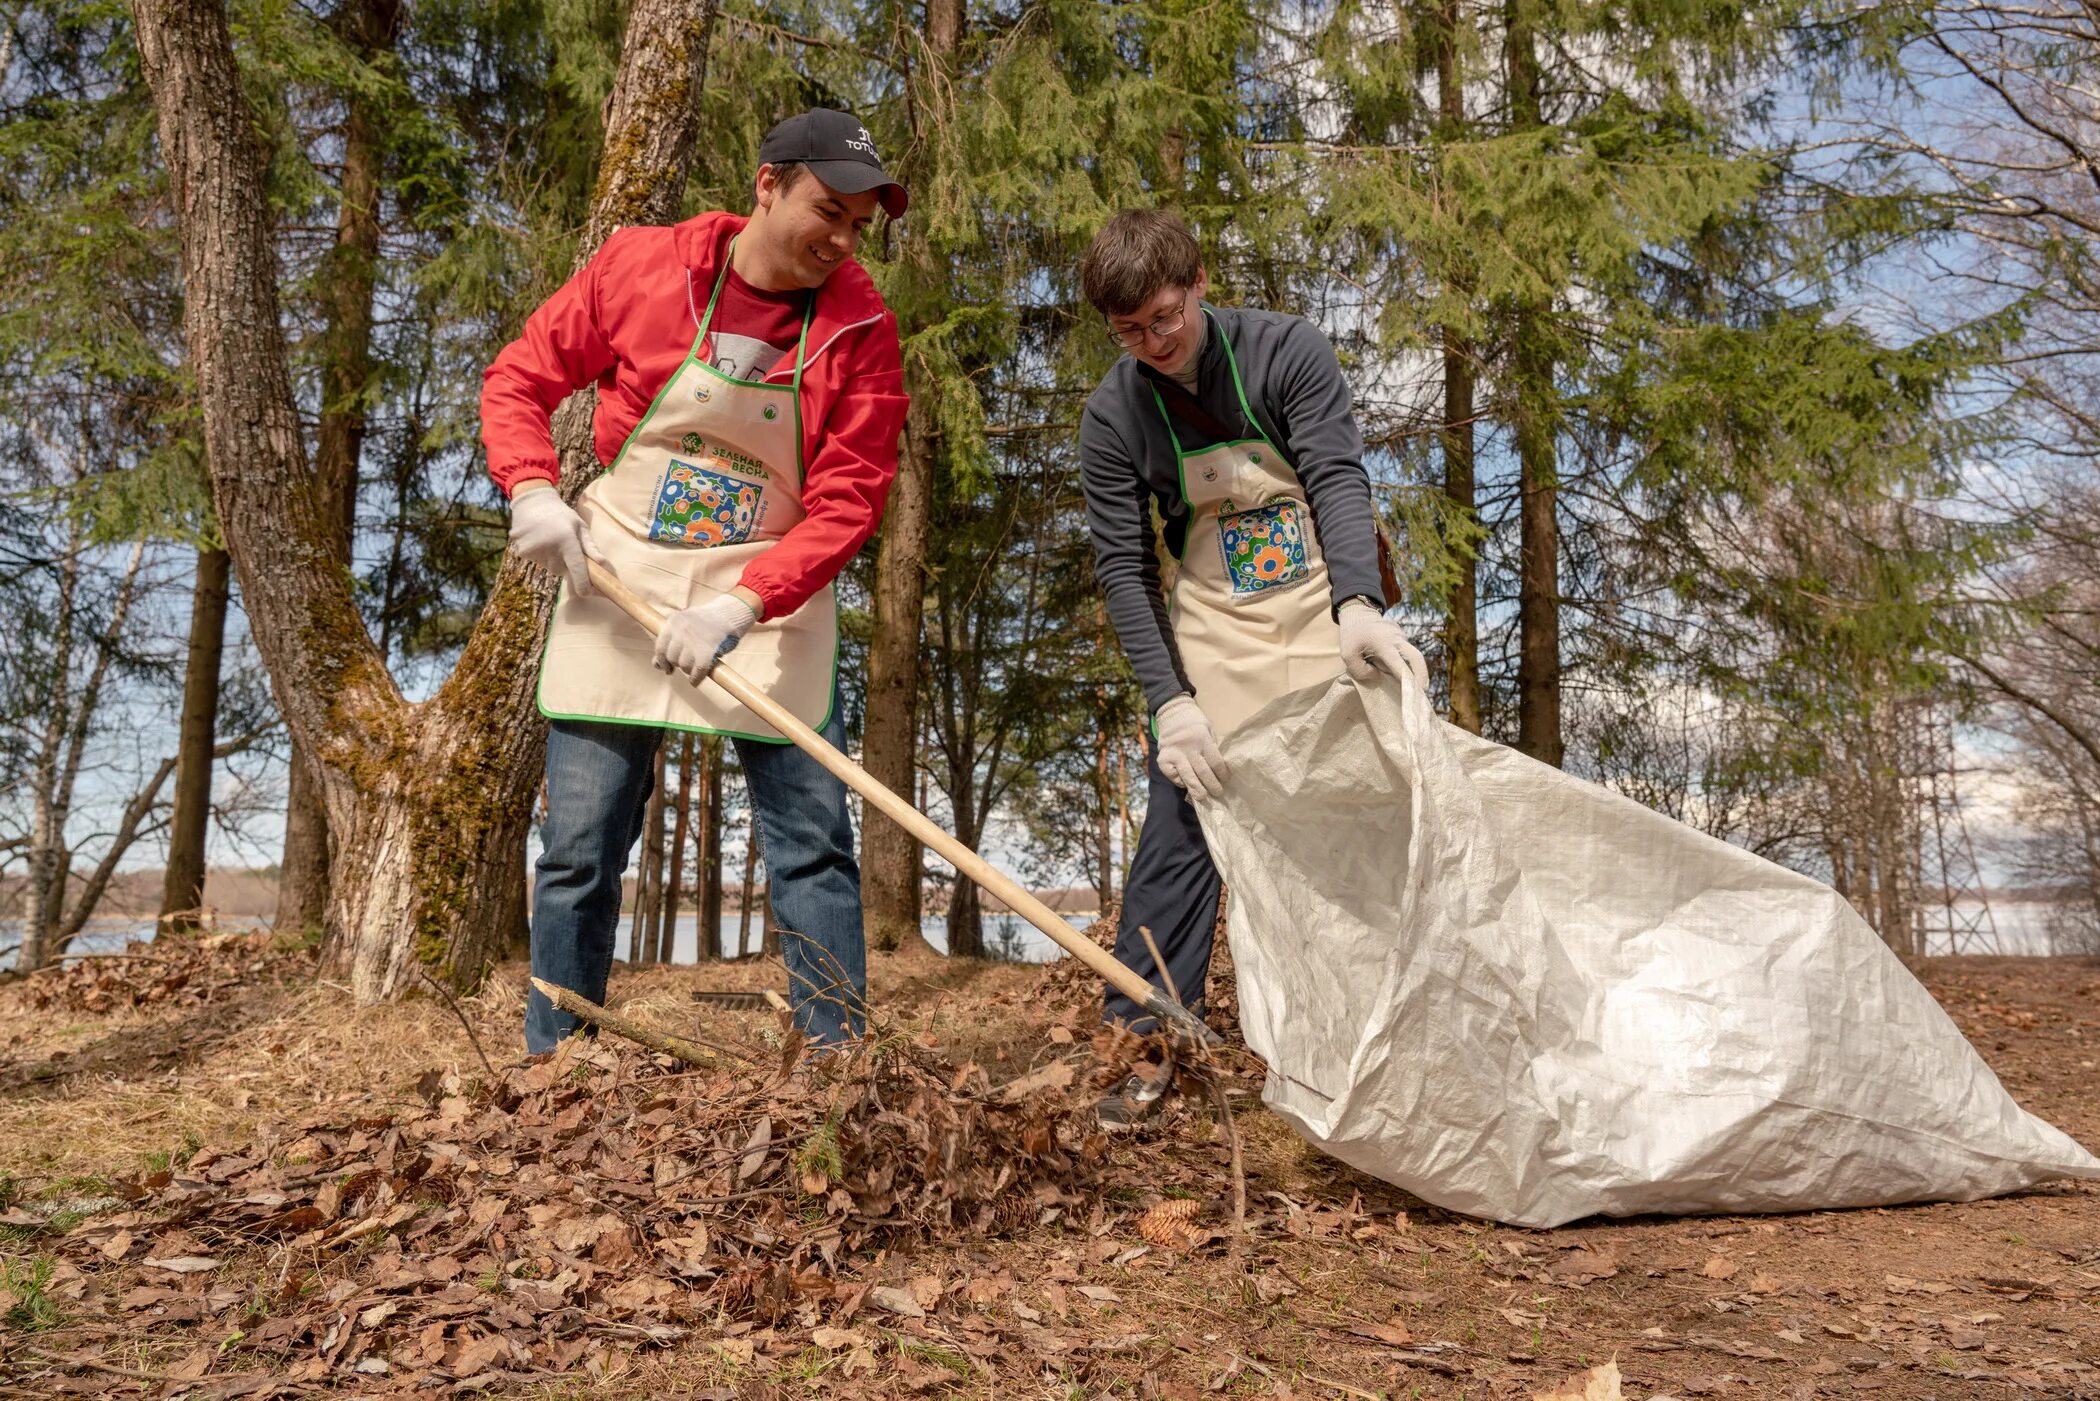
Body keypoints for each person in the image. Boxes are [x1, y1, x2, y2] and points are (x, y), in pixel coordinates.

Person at [482, 109, 909, 1053]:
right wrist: (533, 488)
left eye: (857, 226)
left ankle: (836, 1067)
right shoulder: (643, 267)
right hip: (620, 582)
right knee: (580, 851)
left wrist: (741, 601)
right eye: (825, 210)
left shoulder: (862, 329)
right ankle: (557, 1062)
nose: (839, 240)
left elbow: (850, 497)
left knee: (813, 848)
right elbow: (520, 377)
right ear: (768, 185)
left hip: (765, 601)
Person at [1076, 208, 1428, 1124]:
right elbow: (1122, 567)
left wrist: (1359, 602)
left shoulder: (1285, 353)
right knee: (1182, 827)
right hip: (1218, 630)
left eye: (1165, 318)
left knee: (1371, 817)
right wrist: (1170, 704)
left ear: (1196, 284)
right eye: (1129, 332)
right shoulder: (1113, 414)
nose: (1153, 343)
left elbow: (1338, 476)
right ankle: (1142, 1045)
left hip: (1319, 612)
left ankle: (1402, 1036)